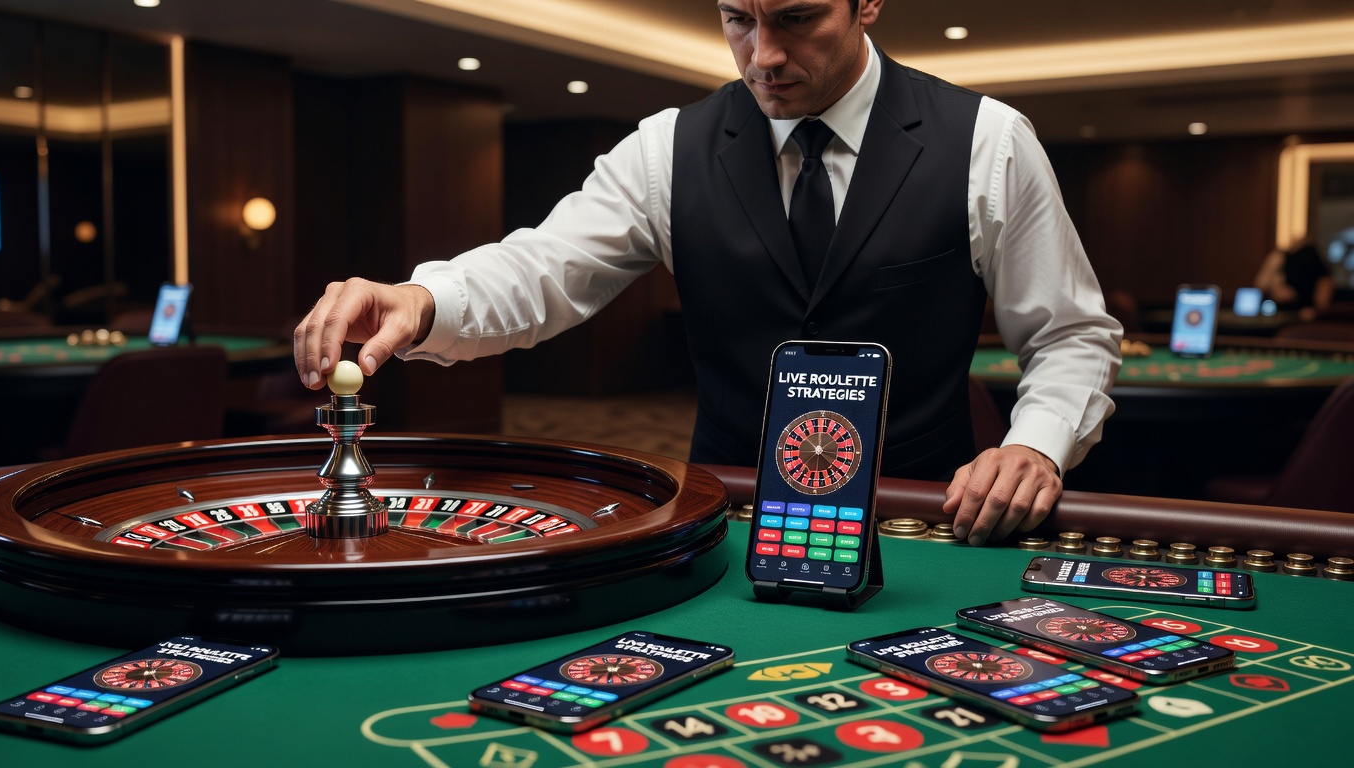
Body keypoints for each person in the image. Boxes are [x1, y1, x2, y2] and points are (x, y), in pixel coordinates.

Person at [294, 0, 1123, 547]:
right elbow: (542, 269)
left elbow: (1072, 334)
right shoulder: (668, 147)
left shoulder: (987, 139)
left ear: (867, 1)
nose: (762, 54)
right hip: (726, 514)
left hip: (921, 524)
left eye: (797, 17)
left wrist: (1034, 448)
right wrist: (421, 296)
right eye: (737, 18)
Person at [1254, 238, 1334, 322]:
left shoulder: (1318, 266)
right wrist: (1276, 290)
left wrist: (1315, 311)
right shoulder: (1281, 258)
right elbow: (1261, 284)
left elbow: (1323, 299)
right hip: (1280, 314)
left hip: (1307, 316)